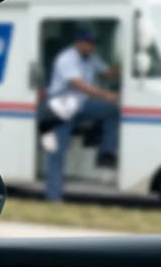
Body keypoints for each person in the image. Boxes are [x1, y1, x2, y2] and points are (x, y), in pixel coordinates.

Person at [41, 26, 120, 201]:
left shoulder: (91, 57)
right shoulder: (66, 58)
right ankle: (53, 197)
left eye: (93, 44)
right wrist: (105, 94)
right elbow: (78, 84)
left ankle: (106, 154)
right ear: (79, 43)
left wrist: (122, 65)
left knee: (112, 111)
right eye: (88, 43)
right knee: (56, 152)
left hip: (80, 105)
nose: (91, 47)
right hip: (59, 107)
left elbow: (108, 74)